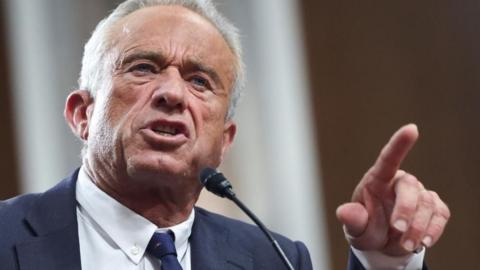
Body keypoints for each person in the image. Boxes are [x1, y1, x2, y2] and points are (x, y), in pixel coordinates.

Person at [0, 0, 450, 269]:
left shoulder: (274, 259)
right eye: (143, 68)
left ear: (223, 141)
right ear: (82, 113)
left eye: (200, 81)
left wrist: (386, 263)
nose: (173, 93)